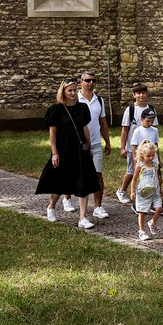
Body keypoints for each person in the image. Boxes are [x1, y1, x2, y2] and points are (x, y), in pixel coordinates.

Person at [36, 77, 101, 229]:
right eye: (69, 90)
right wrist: (54, 153)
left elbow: (84, 128)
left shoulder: (82, 108)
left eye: (74, 90)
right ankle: (51, 206)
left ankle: (83, 217)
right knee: (61, 182)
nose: (72, 93)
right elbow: (52, 133)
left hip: (80, 149)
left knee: (83, 182)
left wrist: (89, 146)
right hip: (63, 149)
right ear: (63, 92)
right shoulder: (56, 109)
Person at [72, 69, 111, 219]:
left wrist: (107, 142)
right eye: (87, 80)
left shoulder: (99, 100)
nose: (91, 83)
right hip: (77, 145)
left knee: (97, 175)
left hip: (95, 143)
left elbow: (103, 122)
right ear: (81, 82)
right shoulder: (75, 99)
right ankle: (67, 198)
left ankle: (97, 206)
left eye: (93, 81)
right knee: (75, 173)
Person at [117, 83, 158, 203]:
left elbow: (154, 129)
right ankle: (122, 191)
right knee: (132, 171)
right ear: (134, 95)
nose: (141, 95)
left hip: (149, 150)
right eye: (138, 93)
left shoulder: (151, 109)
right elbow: (125, 130)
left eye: (143, 93)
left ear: (147, 94)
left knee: (148, 173)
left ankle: (146, 195)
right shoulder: (130, 110)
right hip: (133, 148)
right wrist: (122, 147)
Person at [131, 140, 163, 240]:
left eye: (153, 155)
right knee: (142, 212)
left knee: (159, 209)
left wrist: (160, 189)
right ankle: (142, 231)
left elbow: (157, 178)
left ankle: (152, 222)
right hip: (143, 193)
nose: (151, 158)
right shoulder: (140, 166)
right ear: (142, 155)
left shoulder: (155, 165)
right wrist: (132, 191)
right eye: (148, 156)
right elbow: (134, 179)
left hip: (155, 191)